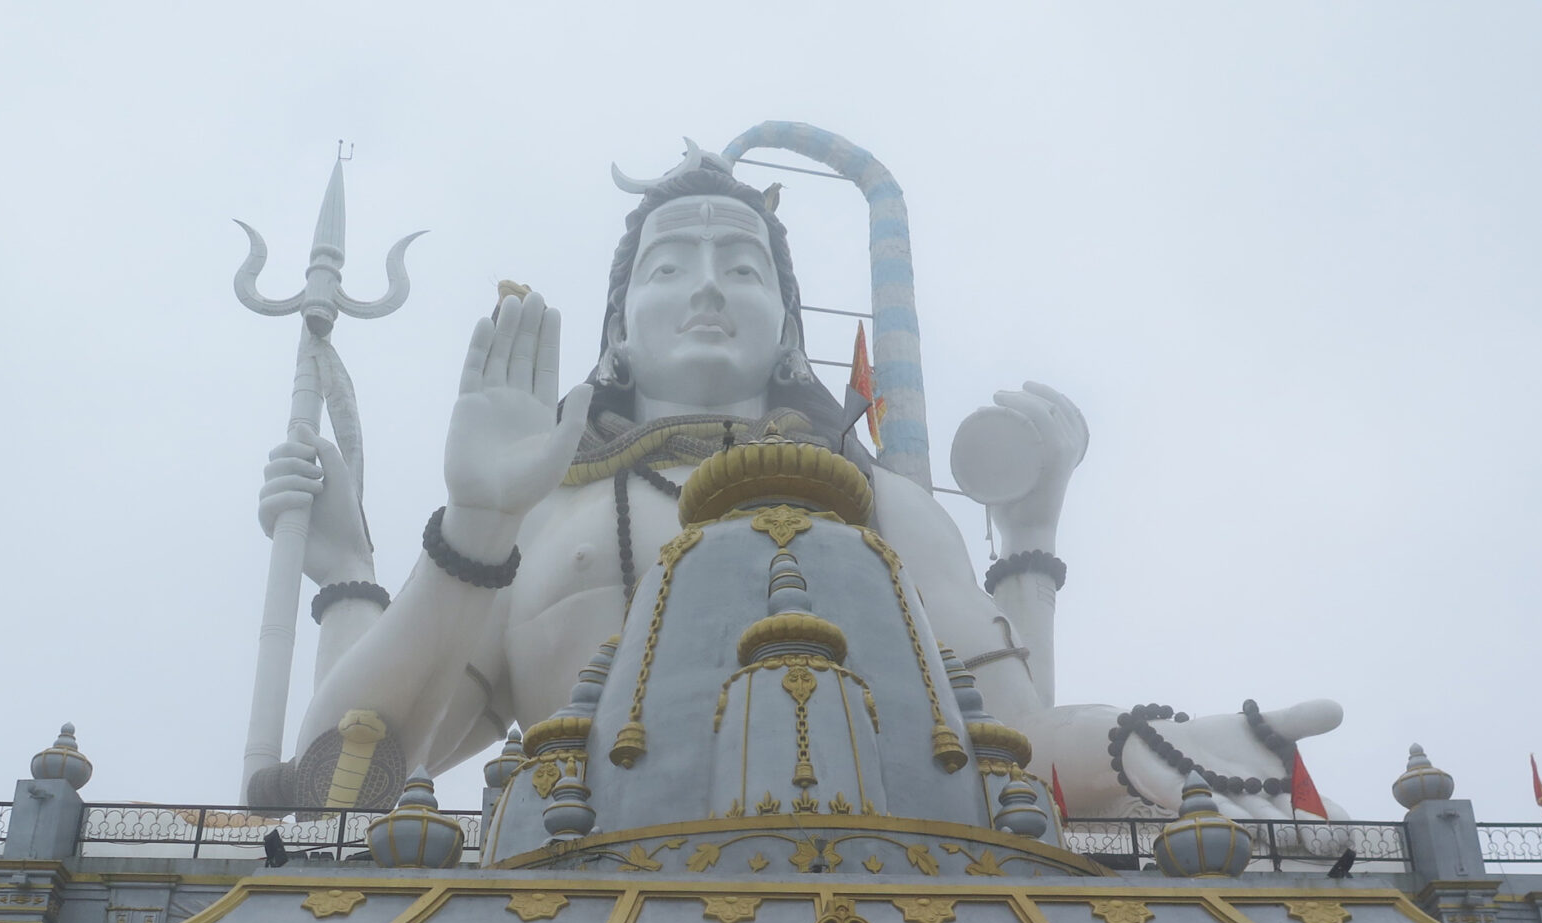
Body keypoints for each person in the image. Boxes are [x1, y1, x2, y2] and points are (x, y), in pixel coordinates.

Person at [256, 145, 1341, 820]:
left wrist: (1161, 746)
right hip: (568, 899)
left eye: (742, 264)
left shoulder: (884, 511)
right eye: (668, 263)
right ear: (616, 332)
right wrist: (475, 523)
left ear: (787, 329)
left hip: (889, 902)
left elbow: (1011, 750)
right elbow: (332, 780)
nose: (708, 287)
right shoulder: (545, 514)